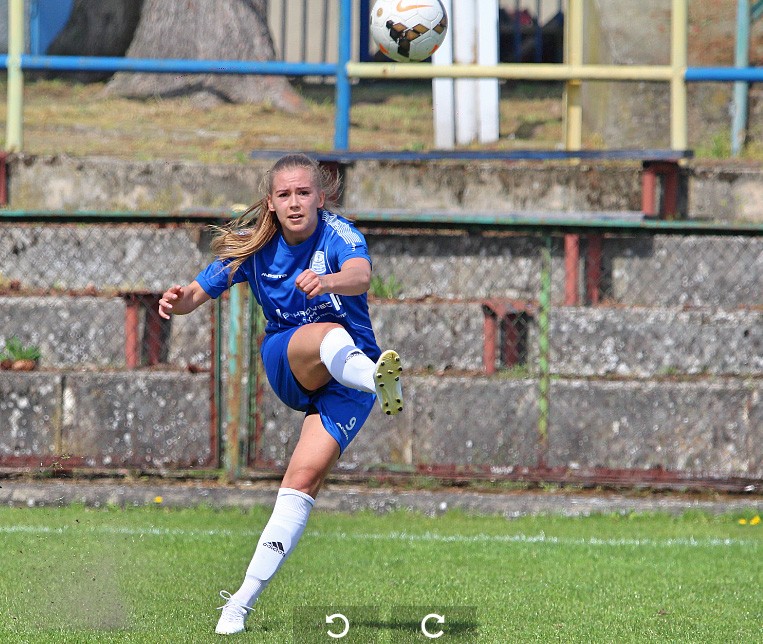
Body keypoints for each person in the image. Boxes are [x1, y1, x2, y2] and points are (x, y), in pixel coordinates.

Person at [157, 153, 403, 635]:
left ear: (320, 197)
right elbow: (196, 294)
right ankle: (376, 378)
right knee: (328, 331)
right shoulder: (256, 246)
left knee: (301, 482)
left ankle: (238, 604)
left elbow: (361, 276)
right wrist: (177, 301)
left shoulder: (340, 234)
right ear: (270, 202)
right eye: (285, 194)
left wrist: (328, 280)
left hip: (349, 378)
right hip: (290, 360)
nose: (295, 202)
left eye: (303, 193)